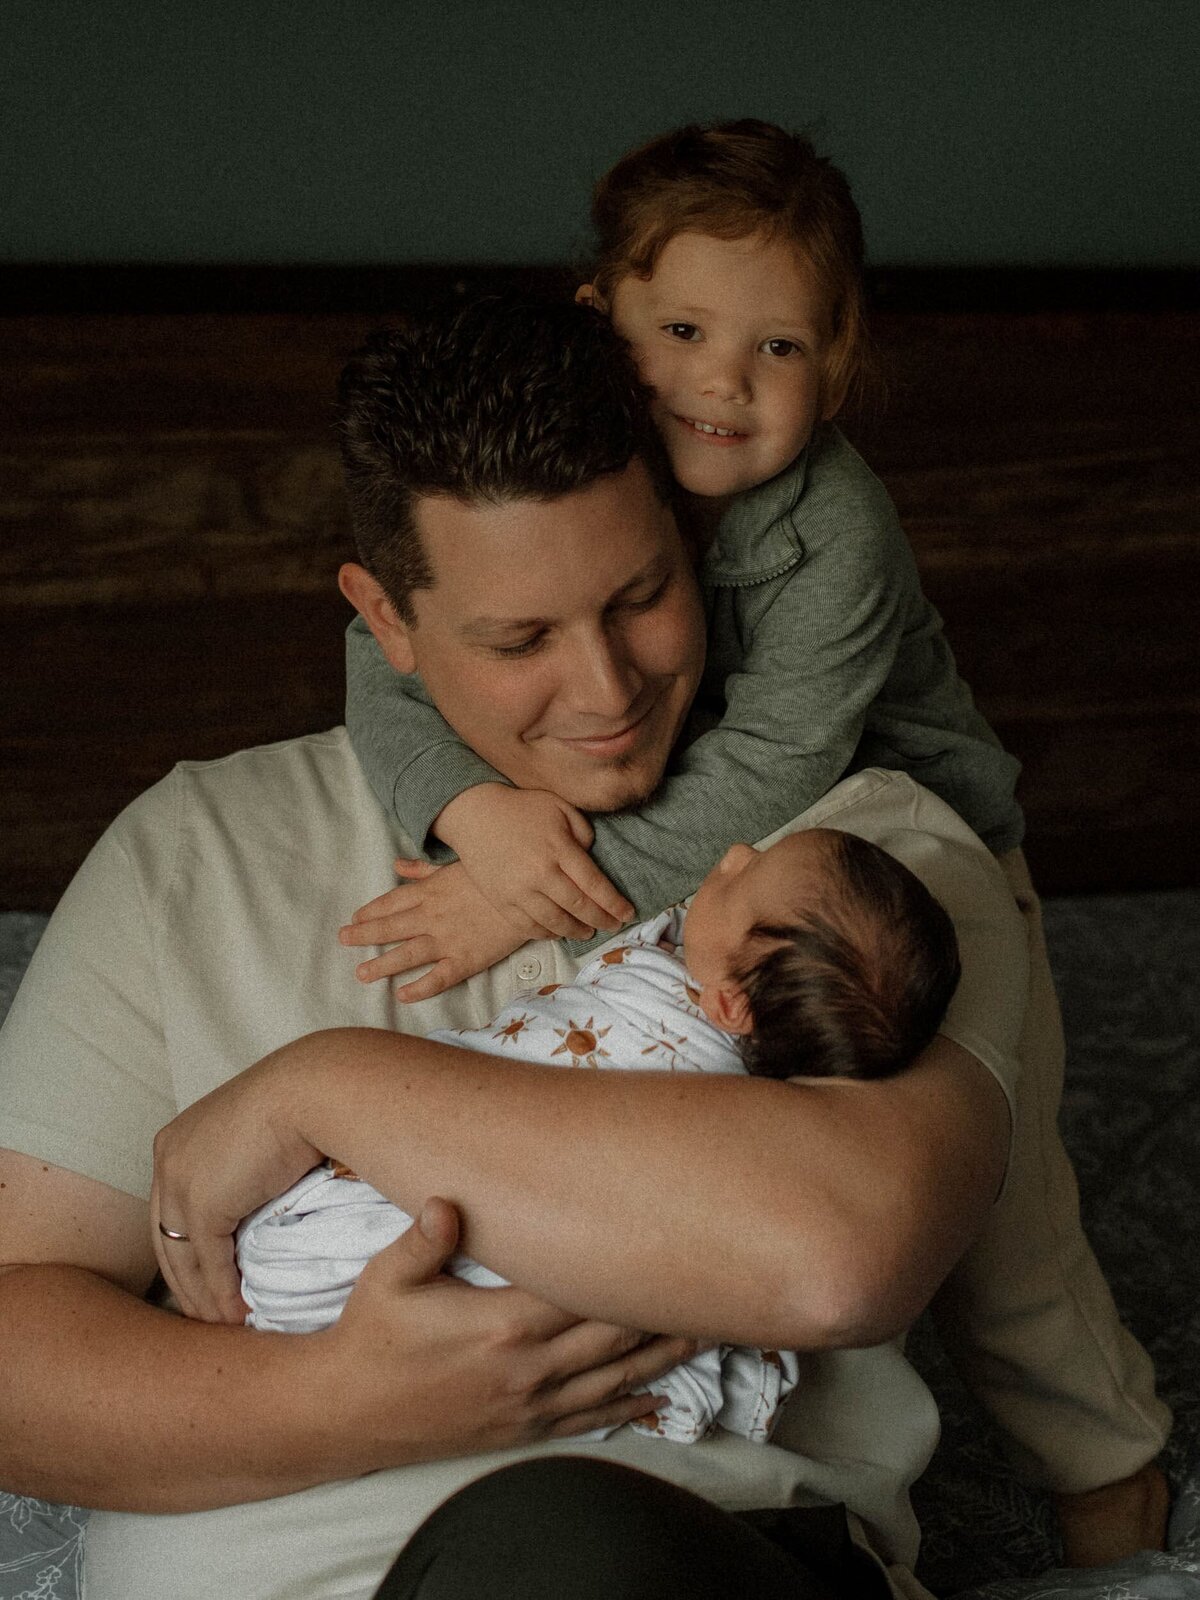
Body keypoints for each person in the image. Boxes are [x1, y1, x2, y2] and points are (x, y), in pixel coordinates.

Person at [0, 291, 1024, 1600]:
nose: (605, 692)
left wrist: (323, 1085)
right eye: (520, 639)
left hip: (675, 1564)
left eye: (642, 595)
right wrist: (346, 1403)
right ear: (388, 622)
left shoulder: (851, 862)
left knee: (557, 1552)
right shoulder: (197, 850)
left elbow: (835, 1259)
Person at [338, 121, 1171, 1560]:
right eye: (684, 329)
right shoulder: (577, 465)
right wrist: (467, 810)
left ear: (841, 360)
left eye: (782, 349)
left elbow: (779, 771)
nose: (725, 381)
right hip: (729, 873)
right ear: (605, 320)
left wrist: (520, 906)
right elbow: (384, 650)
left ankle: (1111, 1473)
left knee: (1009, 1213)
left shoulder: (835, 530)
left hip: (896, 848)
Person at [237, 826, 962, 1452]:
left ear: (728, 1004)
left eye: (743, 878)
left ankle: (316, 1285)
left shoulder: (702, 1064)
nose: (734, 853)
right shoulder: (734, 996)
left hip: (339, 1261)